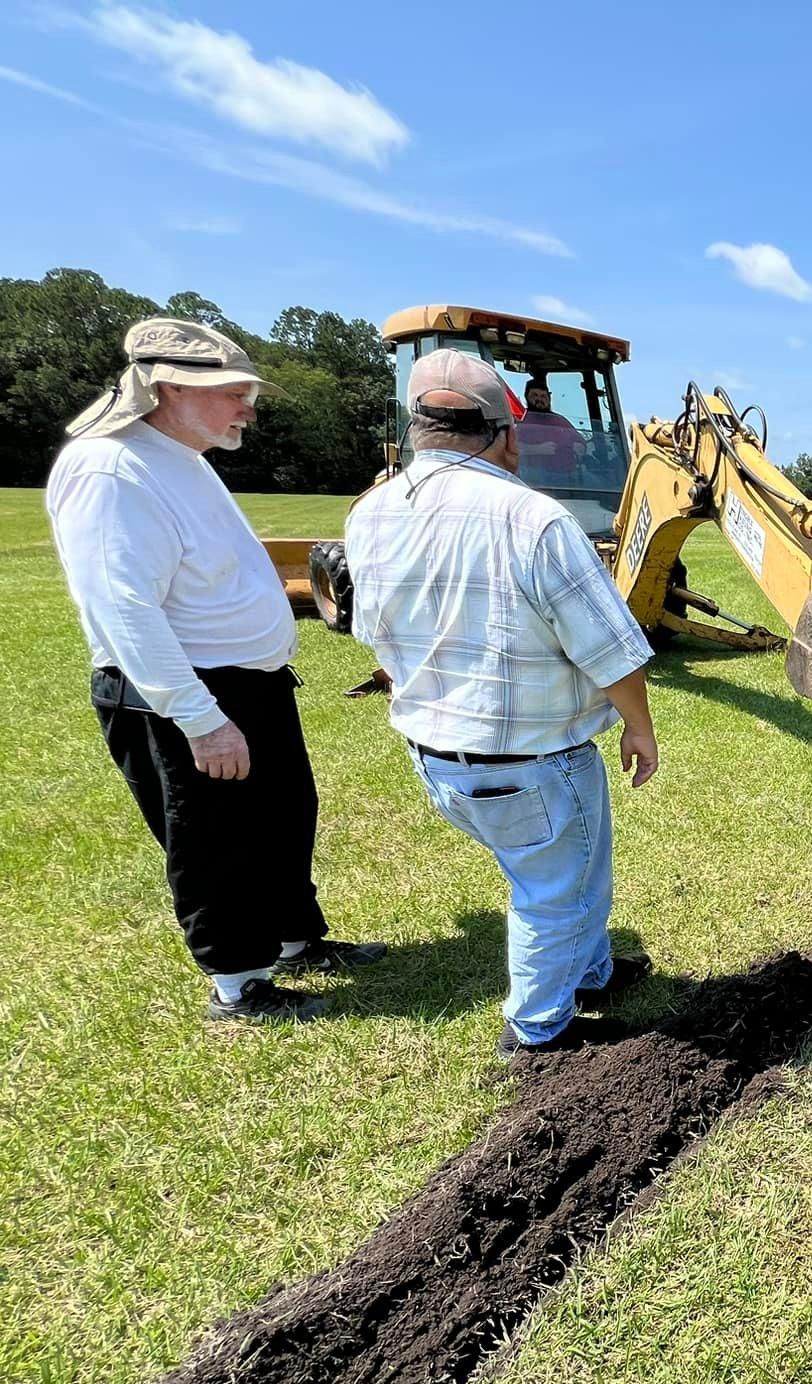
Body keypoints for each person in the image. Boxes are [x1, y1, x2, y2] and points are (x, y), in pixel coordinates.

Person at [44, 318, 386, 1022]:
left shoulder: (182, 456)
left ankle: (295, 940)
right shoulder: (111, 468)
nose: (248, 409)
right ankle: (239, 985)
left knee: (283, 816)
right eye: (235, 392)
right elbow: (123, 608)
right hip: (186, 692)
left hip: (248, 683)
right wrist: (200, 718)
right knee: (214, 838)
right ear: (169, 388)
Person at [344, 350, 661, 1059]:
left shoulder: (370, 515)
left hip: (438, 759)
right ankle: (537, 1031)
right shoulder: (534, 520)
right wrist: (639, 728)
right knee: (554, 892)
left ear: (416, 428)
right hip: (533, 761)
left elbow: (375, 633)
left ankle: (595, 973)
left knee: (559, 871)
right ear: (507, 435)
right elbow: (610, 647)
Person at [515, 377, 583, 485]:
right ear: (526, 397)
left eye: (543, 396)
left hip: (568, 475)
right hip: (535, 477)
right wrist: (537, 449)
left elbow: (581, 442)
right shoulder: (520, 420)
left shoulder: (560, 420)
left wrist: (579, 447)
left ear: (549, 398)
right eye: (535, 395)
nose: (539, 399)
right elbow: (512, 448)